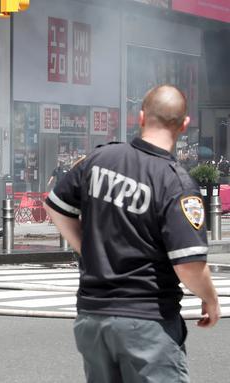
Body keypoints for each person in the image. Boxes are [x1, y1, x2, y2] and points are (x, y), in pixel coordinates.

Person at [44, 84, 220, 382]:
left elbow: (56, 206)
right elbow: (188, 266)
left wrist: (85, 247)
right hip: (147, 320)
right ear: (184, 125)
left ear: (141, 118)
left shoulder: (100, 159)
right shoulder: (175, 182)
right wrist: (211, 298)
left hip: (92, 317)